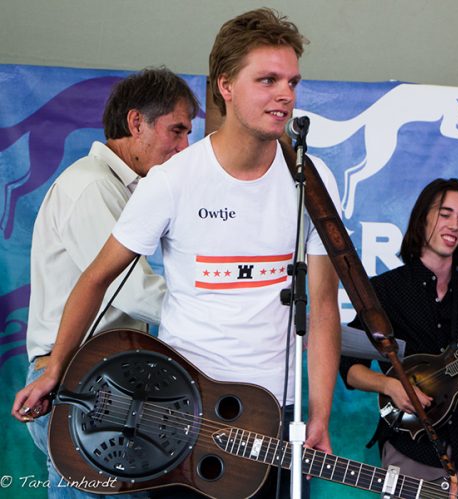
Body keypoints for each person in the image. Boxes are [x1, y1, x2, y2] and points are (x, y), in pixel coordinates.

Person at [12, 8, 341, 499]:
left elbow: (324, 305)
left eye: (292, 81)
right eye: (267, 79)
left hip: (278, 416)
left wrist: (318, 416)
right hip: (184, 411)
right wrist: (56, 367)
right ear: (226, 86)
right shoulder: (172, 180)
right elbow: (97, 278)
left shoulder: (313, 180)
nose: (285, 95)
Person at [19, 67, 198, 498]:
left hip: (109, 380)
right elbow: (134, 290)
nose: (184, 147)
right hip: (80, 380)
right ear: (136, 123)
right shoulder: (93, 187)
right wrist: (217, 319)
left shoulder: (125, 190)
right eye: (176, 131)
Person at [339, 178, 458, 499]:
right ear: (422, 218)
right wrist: (390, 386)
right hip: (410, 448)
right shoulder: (384, 291)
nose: (454, 225)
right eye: (445, 214)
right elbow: (350, 366)